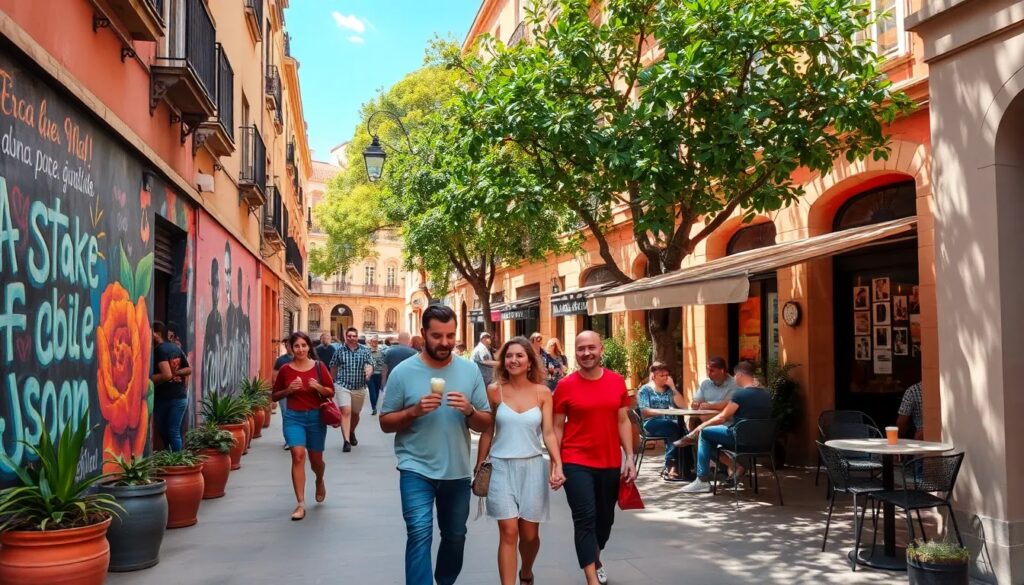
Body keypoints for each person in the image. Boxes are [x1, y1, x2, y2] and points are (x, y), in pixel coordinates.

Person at [380, 305, 492, 585]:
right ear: (423, 334)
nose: (445, 343)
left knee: (455, 535)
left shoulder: (469, 371)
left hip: (456, 470)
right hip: (415, 467)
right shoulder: (403, 373)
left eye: (450, 335)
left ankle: (444, 581)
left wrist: (469, 411)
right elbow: (385, 422)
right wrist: (412, 412)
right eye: (437, 336)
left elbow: (484, 423)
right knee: (419, 532)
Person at [475, 337, 565, 585]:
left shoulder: (543, 393)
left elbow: (548, 433)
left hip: (533, 467)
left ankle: (526, 572)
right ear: (503, 361)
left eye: (519, 356)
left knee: (529, 536)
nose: (513, 360)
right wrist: (480, 463)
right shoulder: (494, 391)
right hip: (501, 467)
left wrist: (557, 464)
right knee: (508, 531)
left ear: (529, 362)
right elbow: (487, 431)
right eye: (509, 356)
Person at [553, 331, 636, 585]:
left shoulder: (617, 381)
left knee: (605, 521)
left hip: (610, 461)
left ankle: (596, 558)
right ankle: (591, 579)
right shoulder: (565, 385)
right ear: (575, 352)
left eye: (591, 348)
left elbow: (623, 420)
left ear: (601, 349)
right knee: (585, 518)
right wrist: (555, 463)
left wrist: (630, 456)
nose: (586, 353)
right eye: (580, 349)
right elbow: (556, 427)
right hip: (575, 460)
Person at [678, 361, 773, 494]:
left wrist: (699, 428)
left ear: (739, 375)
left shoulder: (740, 395)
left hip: (741, 440)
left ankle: (702, 480)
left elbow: (722, 417)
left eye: (735, 375)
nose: (734, 378)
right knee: (708, 439)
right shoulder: (767, 395)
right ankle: (735, 466)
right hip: (763, 442)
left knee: (704, 434)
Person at [271, 332, 335, 520]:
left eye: (303, 345)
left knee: (316, 461)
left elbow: (330, 392)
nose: (300, 349)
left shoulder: (318, 367)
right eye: (296, 346)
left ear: (309, 347)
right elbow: (274, 396)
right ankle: (300, 503)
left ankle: (319, 479)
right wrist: (289, 390)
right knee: (298, 456)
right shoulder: (285, 370)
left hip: (316, 418)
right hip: (293, 418)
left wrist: (318, 387)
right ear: (291, 348)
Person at [636, 362, 685, 480]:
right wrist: (664, 412)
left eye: (667, 375)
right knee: (673, 428)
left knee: (686, 432)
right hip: (650, 424)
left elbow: (683, 405)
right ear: (653, 376)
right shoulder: (645, 390)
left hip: (669, 424)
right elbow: (644, 412)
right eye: (662, 375)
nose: (665, 378)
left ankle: (686, 467)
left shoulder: (669, 390)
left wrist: (673, 388)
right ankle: (671, 465)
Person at [329, 327, 373, 452]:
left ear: (357, 337)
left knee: (355, 414)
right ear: (345, 337)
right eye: (349, 336)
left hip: (359, 387)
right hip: (343, 385)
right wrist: (333, 381)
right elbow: (333, 366)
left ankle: (351, 431)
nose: (351, 338)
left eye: (354, 336)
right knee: (345, 412)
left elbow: (370, 364)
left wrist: (369, 371)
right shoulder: (339, 351)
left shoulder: (365, 350)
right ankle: (346, 441)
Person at [151, 321, 192, 452]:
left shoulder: (160, 350)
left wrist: (146, 380)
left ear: (156, 334)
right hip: (178, 397)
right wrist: (178, 372)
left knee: (170, 431)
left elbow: (167, 375)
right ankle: (172, 458)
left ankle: (177, 462)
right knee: (169, 431)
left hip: (167, 398)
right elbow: (188, 369)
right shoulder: (175, 348)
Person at [688, 356, 738, 428]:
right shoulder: (705, 383)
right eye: (707, 370)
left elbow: (727, 404)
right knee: (693, 418)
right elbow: (696, 401)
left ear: (722, 370)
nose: (708, 373)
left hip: (726, 423)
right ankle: (691, 438)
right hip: (705, 422)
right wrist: (695, 404)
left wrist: (710, 406)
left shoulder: (734, 384)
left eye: (712, 371)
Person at [273, 340, 295, 450]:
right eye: (287, 345)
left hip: (298, 393)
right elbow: (275, 377)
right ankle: (288, 441)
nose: (288, 347)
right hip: (285, 393)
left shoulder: (301, 359)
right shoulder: (281, 360)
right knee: (286, 416)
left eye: (290, 345)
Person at [367, 336, 386, 415]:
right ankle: (374, 407)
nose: (375, 343)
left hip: (378, 374)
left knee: (377, 391)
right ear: (371, 342)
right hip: (370, 375)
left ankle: (374, 404)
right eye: (373, 341)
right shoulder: (367, 352)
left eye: (376, 341)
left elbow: (383, 363)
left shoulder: (381, 352)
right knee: (372, 391)